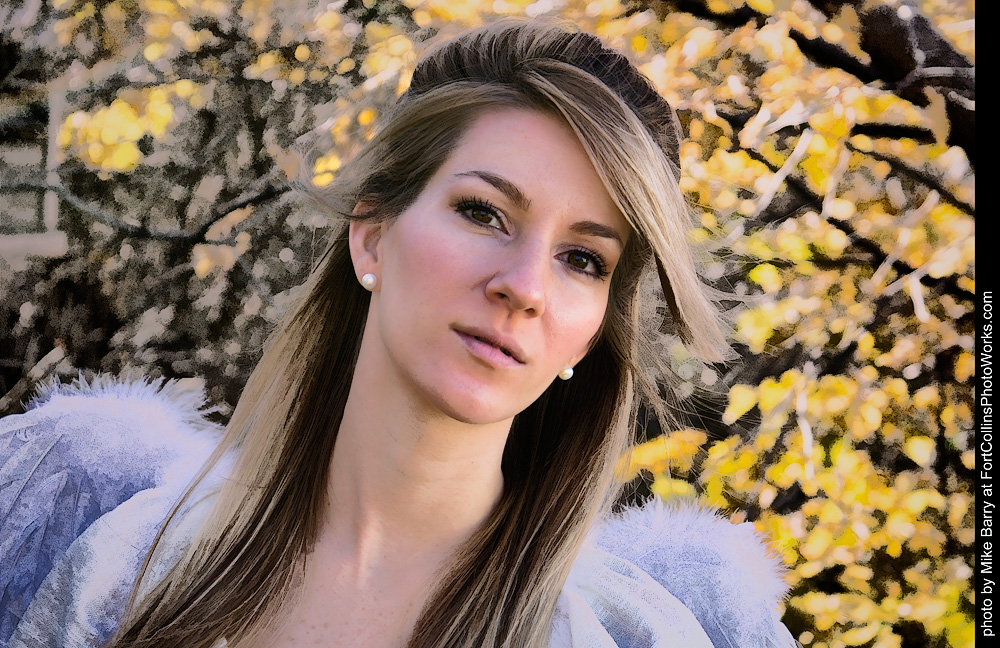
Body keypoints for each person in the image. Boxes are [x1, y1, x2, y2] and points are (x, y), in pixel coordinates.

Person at [0, 18, 797, 648]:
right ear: (373, 235)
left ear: (589, 337)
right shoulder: (128, 566)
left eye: (582, 260)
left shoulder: (628, 635)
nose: (524, 287)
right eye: (484, 213)